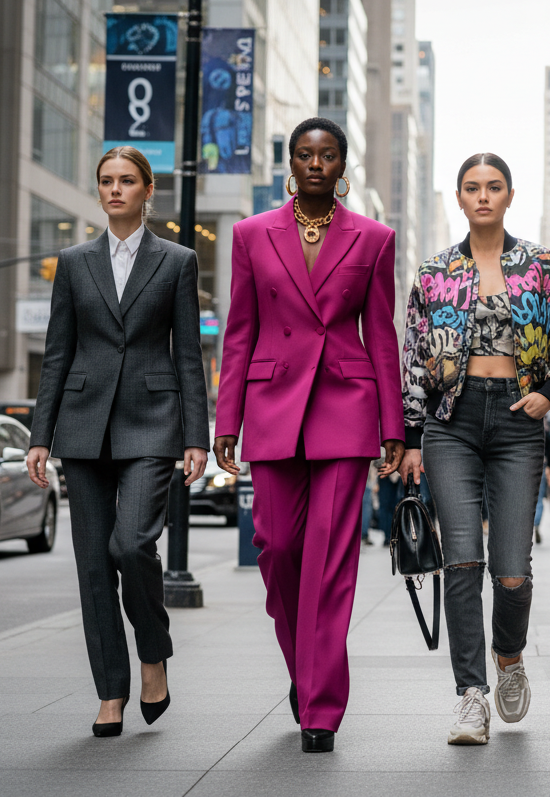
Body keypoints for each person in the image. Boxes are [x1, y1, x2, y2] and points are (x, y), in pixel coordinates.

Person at [213, 117, 404, 753]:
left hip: (346, 408)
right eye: (303, 154)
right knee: (277, 547)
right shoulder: (250, 234)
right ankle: (305, 668)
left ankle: (321, 705)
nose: (315, 162)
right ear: (290, 164)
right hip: (271, 406)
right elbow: (239, 332)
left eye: (326, 154)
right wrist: (226, 420)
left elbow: (381, 335)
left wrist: (393, 425)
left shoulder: (374, 239)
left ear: (341, 164)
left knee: (330, 559)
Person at [399, 152, 550, 745]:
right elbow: (410, 359)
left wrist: (549, 393)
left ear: (509, 195)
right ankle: (470, 695)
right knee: (461, 560)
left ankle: (509, 657)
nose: (483, 196)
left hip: (516, 420)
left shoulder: (543, 267)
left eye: (494, 187)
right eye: (472, 187)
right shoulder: (433, 272)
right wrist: (408, 437)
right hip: (449, 423)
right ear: (459, 197)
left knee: (511, 572)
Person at [26, 146, 208, 737]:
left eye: (127, 180)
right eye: (106, 180)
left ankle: (152, 651)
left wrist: (196, 436)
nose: (115, 190)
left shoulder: (178, 260)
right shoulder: (74, 262)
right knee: (91, 567)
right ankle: (111, 692)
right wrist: (39, 436)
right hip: (82, 426)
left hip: (153, 422)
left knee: (131, 545)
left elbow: (189, 356)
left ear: (147, 189)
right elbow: (58, 353)